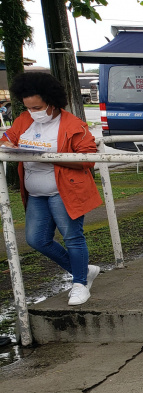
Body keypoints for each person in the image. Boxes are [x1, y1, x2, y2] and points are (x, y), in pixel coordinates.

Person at [1, 73, 101, 306]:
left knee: (72, 237)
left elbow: (88, 159)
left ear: (52, 101)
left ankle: (79, 283)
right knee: (36, 240)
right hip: (36, 193)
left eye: (37, 107)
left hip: (64, 191)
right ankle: (84, 272)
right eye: (28, 107)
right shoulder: (24, 120)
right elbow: (7, 139)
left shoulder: (73, 125)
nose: (33, 112)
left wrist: (50, 158)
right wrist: (7, 145)